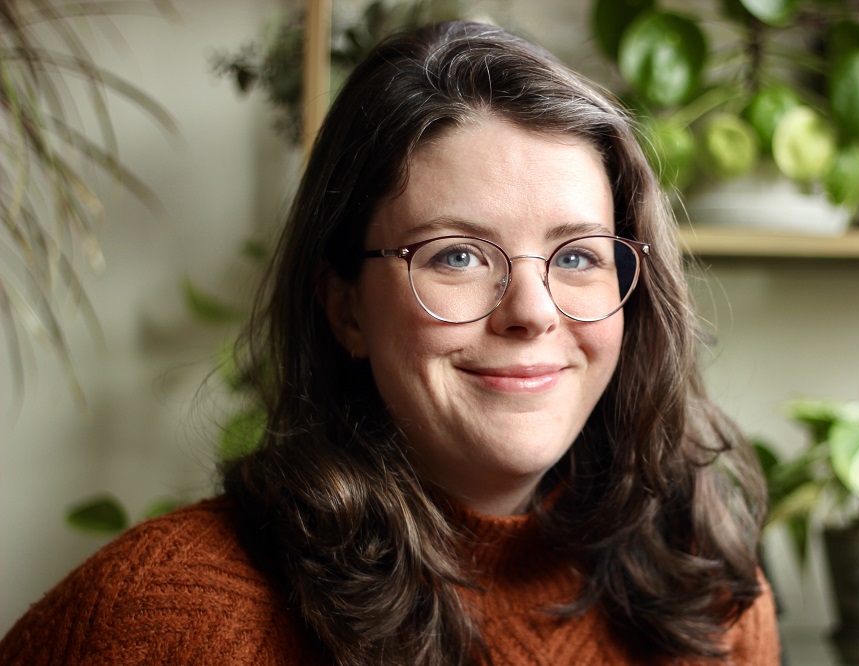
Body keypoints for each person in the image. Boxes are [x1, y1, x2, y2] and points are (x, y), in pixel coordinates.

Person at [0, 20, 780, 665]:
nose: (533, 312)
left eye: (577, 256)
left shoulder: (706, 595)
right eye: (457, 256)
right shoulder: (157, 622)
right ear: (345, 309)